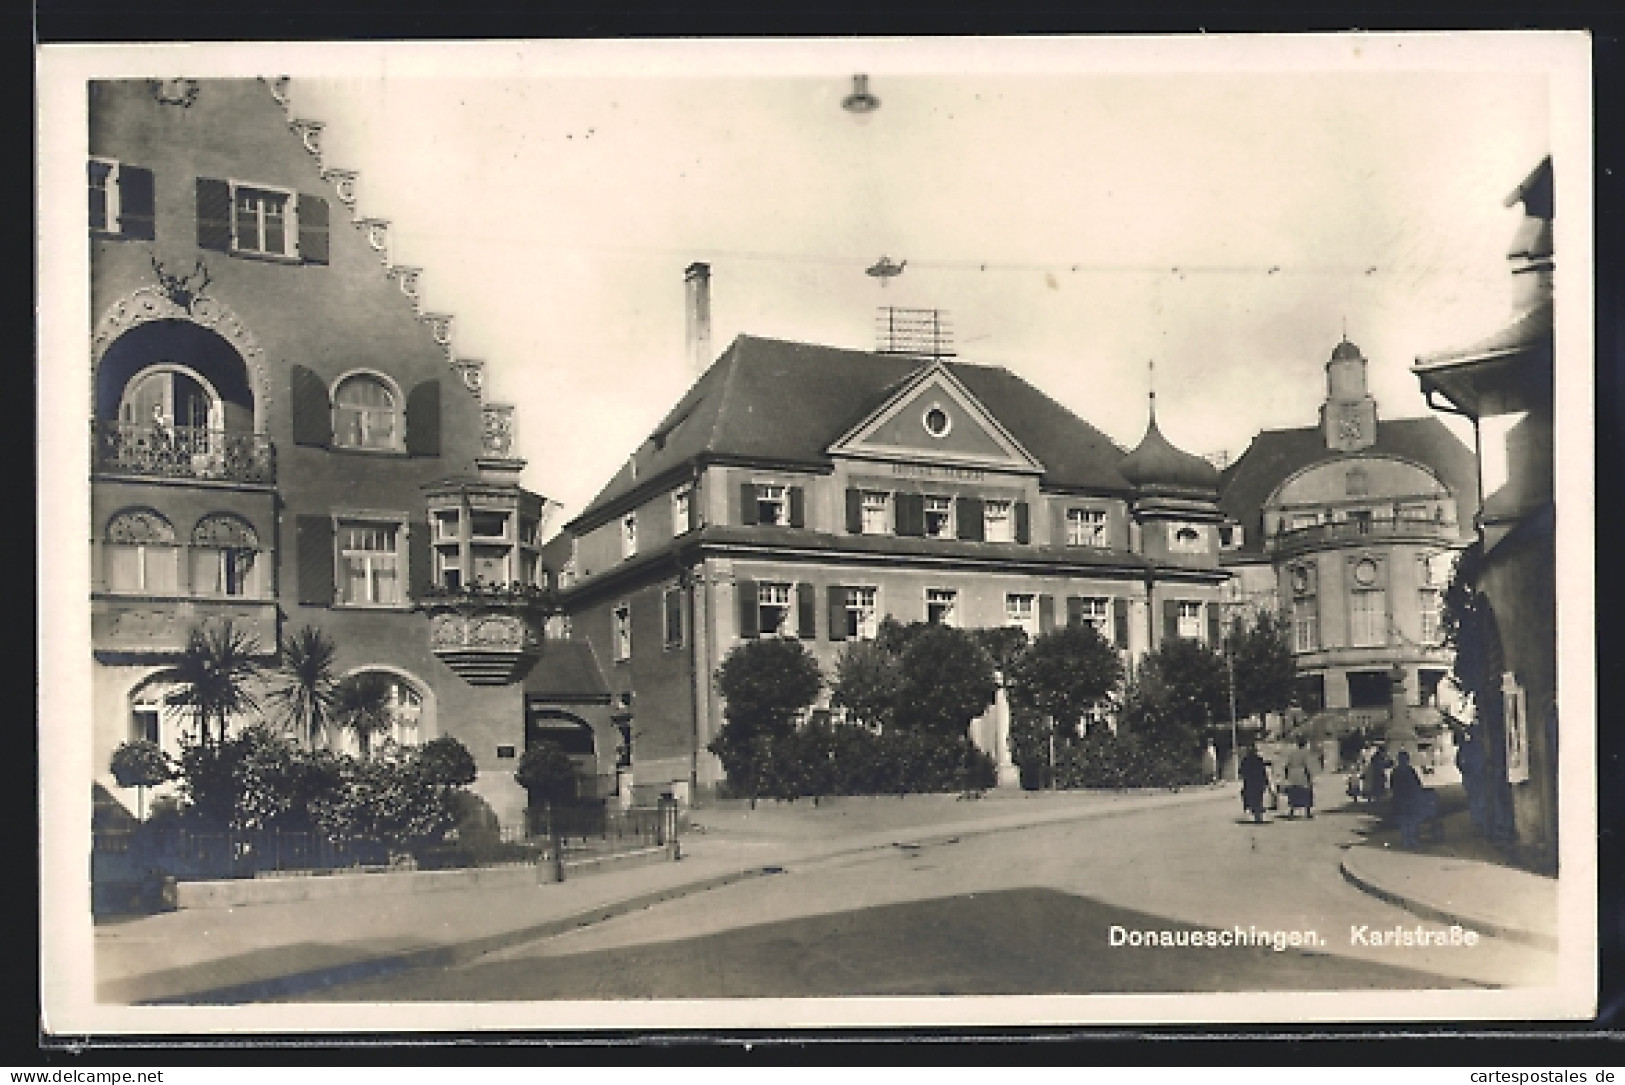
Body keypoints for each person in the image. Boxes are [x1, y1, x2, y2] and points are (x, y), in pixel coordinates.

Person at [1389, 750, 1429, 847]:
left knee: (1406, 819)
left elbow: (1393, 786)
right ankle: (1409, 838)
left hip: (1404, 798)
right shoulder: (1408, 771)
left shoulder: (1397, 772)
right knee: (1409, 819)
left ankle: (1407, 838)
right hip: (1407, 798)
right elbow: (1417, 784)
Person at [1456, 724, 1487, 832]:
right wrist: (1465, 770)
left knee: (1480, 798)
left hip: (1479, 776)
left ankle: (1481, 821)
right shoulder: (1468, 746)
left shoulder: (1481, 745)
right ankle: (1478, 821)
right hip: (1472, 776)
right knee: (1475, 798)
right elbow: (1459, 761)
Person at [1282, 734, 1316, 818]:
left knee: (1294, 792)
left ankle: (1292, 811)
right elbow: (1307, 765)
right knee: (1306, 792)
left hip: (1292, 773)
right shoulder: (1306, 753)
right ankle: (1307, 812)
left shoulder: (1293, 753)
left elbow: (1287, 765)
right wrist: (1309, 776)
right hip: (1302, 773)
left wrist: (1287, 775)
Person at [1239, 743, 1270, 824]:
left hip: (1250, 782)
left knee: (1253, 798)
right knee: (1258, 799)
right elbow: (1263, 771)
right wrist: (1266, 782)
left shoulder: (1246, 760)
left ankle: (1257, 814)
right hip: (1257, 782)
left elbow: (1242, 772)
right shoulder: (1258, 760)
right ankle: (1258, 815)